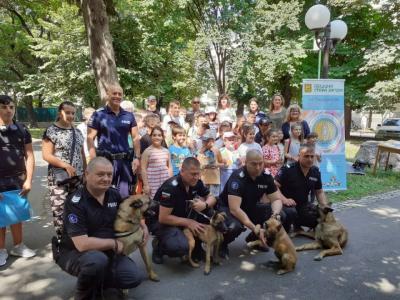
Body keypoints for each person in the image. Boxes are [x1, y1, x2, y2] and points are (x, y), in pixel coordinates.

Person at [55, 157, 144, 299]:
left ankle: (103, 285)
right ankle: (83, 294)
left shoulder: (114, 194)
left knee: (133, 277)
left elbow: (130, 213)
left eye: (109, 174)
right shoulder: (75, 202)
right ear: (87, 175)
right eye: (100, 174)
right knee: (96, 261)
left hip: (106, 252)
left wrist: (142, 227)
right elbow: (82, 244)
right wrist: (113, 243)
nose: (106, 178)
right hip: (75, 253)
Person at [217, 150, 291, 259]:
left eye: (260, 163)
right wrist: (254, 228)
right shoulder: (238, 177)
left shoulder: (266, 176)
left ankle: (253, 238)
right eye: (254, 164)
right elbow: (235, 209)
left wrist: (275, 215)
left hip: (249, 206)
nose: (258, 167)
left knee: (281, 215)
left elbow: (276, 199)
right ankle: (221, 244)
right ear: (246, 162)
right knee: (235, 227)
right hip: (228, 208)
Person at [150, 157, 216, 265]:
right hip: (162, 222)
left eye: (198, 174)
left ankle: (196, 248)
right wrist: (189, 222)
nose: (196, 177)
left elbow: (212, 197)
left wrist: (204, 204)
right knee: (179, 247)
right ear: (182, 172)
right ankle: (159, 246)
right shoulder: (170, 187)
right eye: (192, 174)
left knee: (214, 220)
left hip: (182, 215)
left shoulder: (196, 182)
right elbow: (163, 218)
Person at [87, 83, 141, 199]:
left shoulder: (129, 115)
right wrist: (93, 160)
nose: (117, 96)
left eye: (119, 94)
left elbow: (136, 138)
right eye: (114, 93)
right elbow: (90, 137)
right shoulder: (98, 114)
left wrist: (137, 158)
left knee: (124, 196)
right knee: (104, 194)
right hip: (106, 162)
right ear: (107, 95)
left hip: (125, 163)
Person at [0, 95, 36, 266]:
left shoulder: (21, 130)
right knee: (0, 217)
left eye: (11, 107)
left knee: (16, 214)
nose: (8, 110)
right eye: (4, 107)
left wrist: (28, 179)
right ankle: (0, 250)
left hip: (18, 180)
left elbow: (29, 155)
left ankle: (18, 245)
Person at [42, 101, 86, 237]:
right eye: (67, 112)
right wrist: (65, 165)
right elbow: (46, 155)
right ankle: (62, 240)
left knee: (78, 208)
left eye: (73, 113)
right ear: (60, 113)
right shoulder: (51, 131)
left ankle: (77, 238)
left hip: (77, 178)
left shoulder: (77, 131)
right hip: (59, 177)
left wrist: (86, 171)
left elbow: (82, 153)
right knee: (60, 209)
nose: (71, 115)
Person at [275, 144, 329, 232]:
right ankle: (287, 226)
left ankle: (297, 223)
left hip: (303, 205)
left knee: (321, 217)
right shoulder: (287, 169)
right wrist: (284, 199)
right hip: (285, 204)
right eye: (306, 156)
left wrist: (324, 206)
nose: (310, 159)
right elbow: (274, 187)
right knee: (290, 214)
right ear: (299, 156)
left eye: (312, 156)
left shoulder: (315, 171)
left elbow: (319, 192)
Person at [141, 126, 172, 199]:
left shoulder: (166, 151)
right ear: (151, 137)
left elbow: (169, 167)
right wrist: (146, 185)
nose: (157, 137)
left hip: (165, 182)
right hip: (152, 183)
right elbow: (143, 169)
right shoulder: (147, 151)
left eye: (159, 135)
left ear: (162, 137)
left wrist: (170, 182)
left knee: (165, 201)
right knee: (153, 203)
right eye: (154, 135)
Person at [197, 130, 226, 197]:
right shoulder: (200, 151)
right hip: (204, 179)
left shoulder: (216, 150)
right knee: (203, 197)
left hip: (214, 179)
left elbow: (221, 161)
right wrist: (216, 165)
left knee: (213, 198)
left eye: (206, 141)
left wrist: (223, 163)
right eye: (203, 141)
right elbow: (201, 165)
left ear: (212, 142)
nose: (203, 143)